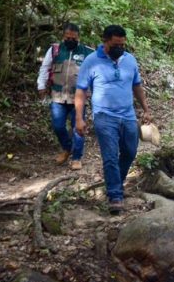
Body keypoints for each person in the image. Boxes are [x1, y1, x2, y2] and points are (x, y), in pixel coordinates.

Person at [75, 25, 151, 215]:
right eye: (116, 44)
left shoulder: (130, 60)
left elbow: (137, 86)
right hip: (104, 116)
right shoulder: (91, 61)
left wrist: (146, 109)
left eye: (123, 44)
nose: (120, 47)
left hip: (128, 115)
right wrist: (78, 118)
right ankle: (115, 195)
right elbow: (81, 91)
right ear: (105, 41)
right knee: (110, 156)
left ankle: (115, 181)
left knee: (130, 151)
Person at [36, 23, 94, 170]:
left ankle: (77, 157)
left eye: (73, 38)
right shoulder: (55, 50)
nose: (70, 40)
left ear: (78, 37)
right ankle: (67, 148)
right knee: (58, 126)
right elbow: (45, 68)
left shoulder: (87, 52)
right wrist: (41, 86)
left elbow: (95, 73)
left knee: (78, 128)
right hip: (58, 96)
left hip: (78, 98)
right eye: (67, 37)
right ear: (63, 36)